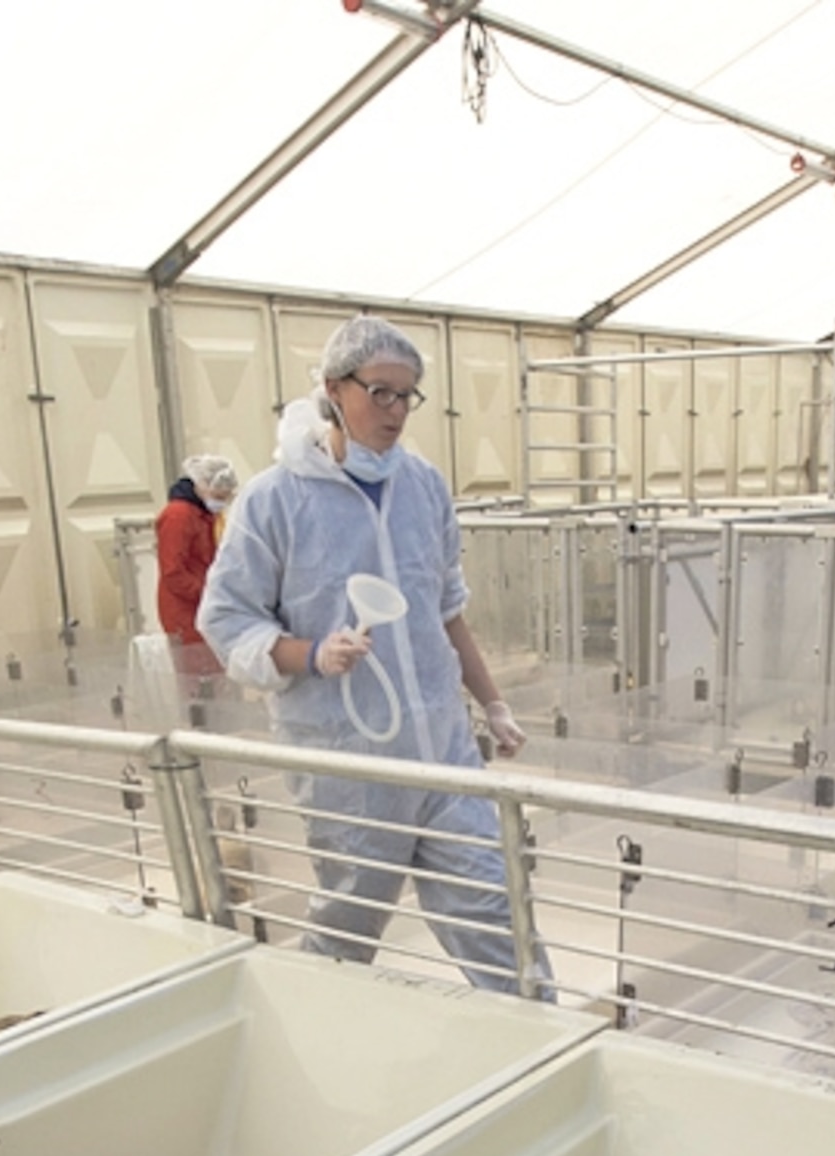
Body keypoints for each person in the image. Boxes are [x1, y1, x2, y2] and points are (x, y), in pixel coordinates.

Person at [198, 314, 546, 997]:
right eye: (379, 392)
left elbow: (445, 609)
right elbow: (226, 618)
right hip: (348, 762)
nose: (395, 411)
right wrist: (309, 653)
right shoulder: (275, 500)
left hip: (442, 751)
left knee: (496, 907)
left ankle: (543, 1032)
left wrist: (493, 703)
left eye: (407, 395)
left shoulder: (423, 486)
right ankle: (319, 1026)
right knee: (348, 920)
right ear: (334, 388)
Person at [155, 454, 235, 690]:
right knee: (197, 679)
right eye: (219, 496)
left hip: (204, 603)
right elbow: (173, 572)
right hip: (185, 610)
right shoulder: (178, 516)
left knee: (216, 673)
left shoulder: (207, 515)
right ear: (201, 486)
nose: (222, 502)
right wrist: (210, 595)